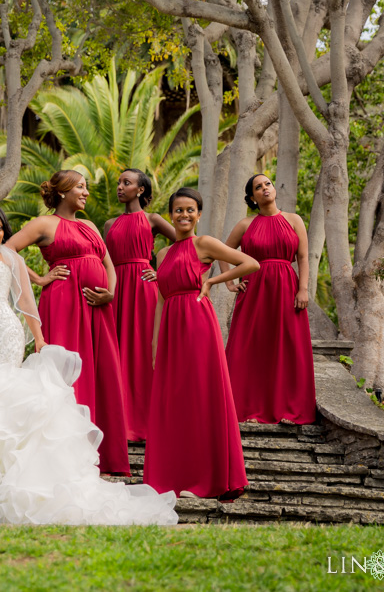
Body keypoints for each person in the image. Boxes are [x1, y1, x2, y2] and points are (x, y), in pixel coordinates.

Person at [0, 205, 178, 525]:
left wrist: (40, 337)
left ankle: (2, 480)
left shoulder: (9, 258)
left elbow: (25, 302)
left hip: (2, 334)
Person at [2, 170, 130, 476]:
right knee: (67, 376)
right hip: (64, 304)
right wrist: (41, 278)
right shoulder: (44, 224)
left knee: (101, 374)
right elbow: (7, 250)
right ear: (63, 192)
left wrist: (110, 294)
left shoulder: (89, 226)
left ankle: (104, 456)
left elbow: (107, 264)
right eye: (81, 187)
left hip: (98, 309)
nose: (86, 192)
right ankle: (65, 457)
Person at [144, 187, 258, 501]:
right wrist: (155, 343)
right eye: (178, 210)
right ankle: (172, 477)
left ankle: (204, 479)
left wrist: (212, 281)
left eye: (190, 210)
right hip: (170, 329)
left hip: (197, 323)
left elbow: (250, 264)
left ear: (199, 214)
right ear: (171, 215)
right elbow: (160, 300)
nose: (184, 215)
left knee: (199, 395)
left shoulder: (204, 243)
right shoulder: (163, 254)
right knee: (174, 402)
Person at [222, 174, 315, 424]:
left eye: (268, 184)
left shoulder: (294, 220)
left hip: (286, 288)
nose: (265, 188)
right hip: (254, 291)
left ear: (274, 188)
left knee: (287, 347)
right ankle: (248, 408)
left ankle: (287, 409)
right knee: (252, 348)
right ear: (252, 197)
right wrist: (230, 282)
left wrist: (303, 289)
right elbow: (223, 253)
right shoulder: (245, 225)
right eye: (258, 187)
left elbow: (304, 257)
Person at [103, 169, 176, 442]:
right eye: (119, 182)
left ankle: (149, 421)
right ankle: (119, 420)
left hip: (144, 289)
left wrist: (162, 273)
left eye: (127, 182)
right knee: (118, 351)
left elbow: (187, 244)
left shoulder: (153, 219)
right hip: (117, 289)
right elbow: (104, 261)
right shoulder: (109, 225)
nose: (120, 187)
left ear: (141, 190)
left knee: (145, 350)